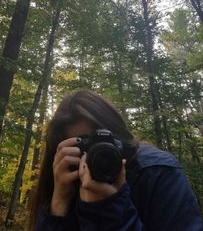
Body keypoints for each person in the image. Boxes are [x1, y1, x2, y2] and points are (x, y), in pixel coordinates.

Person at [29, 90, 203, 231]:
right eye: (85, 149)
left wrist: (108, 211)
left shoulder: (156, 173)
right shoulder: (68, 185)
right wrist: (58, 204)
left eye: (105, 145)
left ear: (121, 139)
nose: (98, 158)